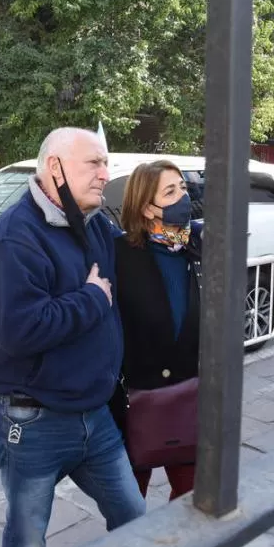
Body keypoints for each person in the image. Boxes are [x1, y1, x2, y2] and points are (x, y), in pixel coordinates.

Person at [0, 127, 146, 547]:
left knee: (135, 520)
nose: (105, 173)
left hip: (95, 416)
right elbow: (18, 331)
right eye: (93, 163)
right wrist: (92, 298)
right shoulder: (16, 237)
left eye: (105, 162)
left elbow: (135, 259)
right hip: (34, 419)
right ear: (54, 167)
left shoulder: (94, 222)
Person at [113, 160, 202, 501]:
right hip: (136, 401)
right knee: (129, 510)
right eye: (170, 191)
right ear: (147, 208)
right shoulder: (120, 254)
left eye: (182, 187)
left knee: (192, 500)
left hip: (189, 398)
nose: (183, 196)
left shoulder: (197, 247)